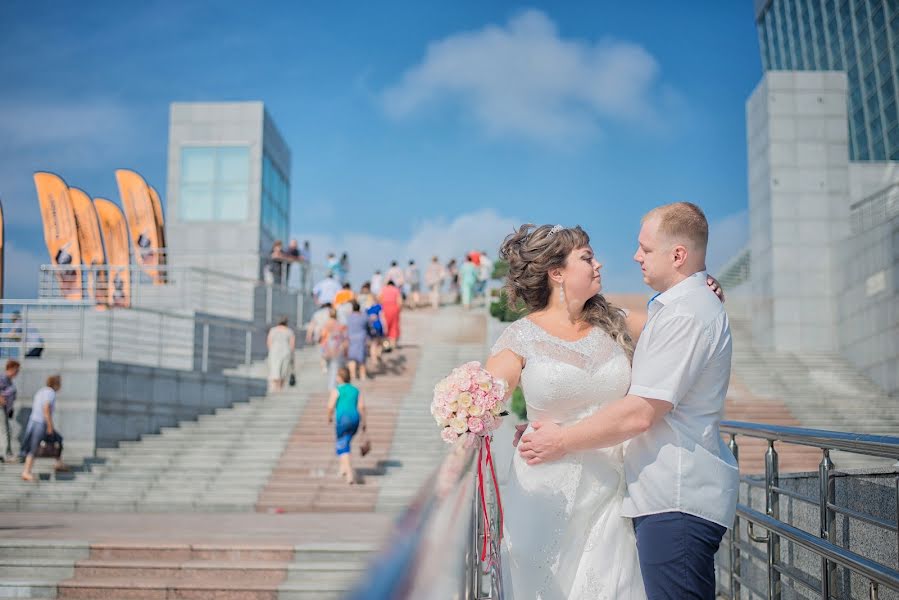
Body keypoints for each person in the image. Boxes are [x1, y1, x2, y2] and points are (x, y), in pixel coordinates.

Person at [514, 206, 734, 600]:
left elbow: (641, 412)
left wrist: (560, 439)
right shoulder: (672, 308)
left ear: (678, 255)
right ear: (555, 273)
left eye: (645, 249)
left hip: (674, 495)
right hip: (641, 491)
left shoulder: (686, 313)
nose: (634, 257)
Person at [21, 374, 67, 481]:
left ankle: (58, 463)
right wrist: (50, 425)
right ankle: (26, 471)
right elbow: (46, 409)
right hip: (41, 423)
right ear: (56, 384)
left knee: (58, 439)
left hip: (33, 422)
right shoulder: (50, 393)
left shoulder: (41, 391)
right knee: (34, 447)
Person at [327, 367, 366, 484]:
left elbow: (330, 406)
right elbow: (362, 407)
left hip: (343, 419)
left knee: (342, 445)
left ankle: (349, 474)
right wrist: (365, 422)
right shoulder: (355, 390)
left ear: (340, 377)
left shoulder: (337, 390)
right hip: (355, 419)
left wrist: (328, 417)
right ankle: (342, 468)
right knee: (346, 441)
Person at [320, 308, 348, 391]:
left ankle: (331, 385)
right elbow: (343, 336)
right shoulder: (338, 324)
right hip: (336, 346)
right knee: (335, 366)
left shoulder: (326, 323)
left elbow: (323, 335)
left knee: (330, 366)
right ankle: (333, 385)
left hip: (327, 345)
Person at [266, 317, 295, 393]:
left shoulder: (273, 330)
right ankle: (280, 388)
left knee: (274, 369)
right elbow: (292, 344)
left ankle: (274, 388)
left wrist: (271, 350)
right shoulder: (289, 331)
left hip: (274, 351)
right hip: (286, 351)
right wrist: (292, 355)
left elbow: (269, 341)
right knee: (283, 370)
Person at [0, 359, 20, 462]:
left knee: (6, 431)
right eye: (16, 370)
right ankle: (6, 454)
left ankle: (4, 453)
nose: (17, 373)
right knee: (5, 431)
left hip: (5, 409)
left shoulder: (8, 380)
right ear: (11, 368)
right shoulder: (3, 377)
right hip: (1, 407)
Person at [345, 301, 370, 381]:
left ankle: (353, 376)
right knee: (361, 358)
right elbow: (368, 325)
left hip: (351, 338)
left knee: (351, 358)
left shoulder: (349, 317)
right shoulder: (363, 317)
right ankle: (363, 376)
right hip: (361, 339)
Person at [306, 302, 333, 373]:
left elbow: (312, 325)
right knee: (330, 349)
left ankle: (324, 366)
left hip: (319, 334)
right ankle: (329, 364)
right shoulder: (332, 312)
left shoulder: (317, 313)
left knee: (322, 351)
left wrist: (309, 336)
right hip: (329, 334)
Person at [378, 280, 402, 349]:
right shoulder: (396, 289)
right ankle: (393, 345)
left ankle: (385, 345)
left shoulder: (383, 289)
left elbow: (379, 298)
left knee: (384, 326)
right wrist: (399, 310)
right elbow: (400, 301)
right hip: (394, 308)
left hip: (384, 308)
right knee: (394, 327)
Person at [365, 301, 385, 367]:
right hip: (378, 326)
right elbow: (382, 316)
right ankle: (377, 356)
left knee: (374, 344)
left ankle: (374, 358)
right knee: (379, 343)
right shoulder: (378, 307)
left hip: (371, 327)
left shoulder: (367, 308)